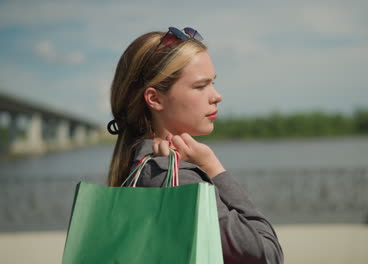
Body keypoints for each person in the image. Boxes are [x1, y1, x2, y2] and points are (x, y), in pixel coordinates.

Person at [106, 27, 284, 264]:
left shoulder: (141, 166)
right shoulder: (177, 178)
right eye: (201, 86)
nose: (216, 96)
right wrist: (213, 166)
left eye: (213, 83)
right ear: (155, 99)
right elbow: (268, 254)